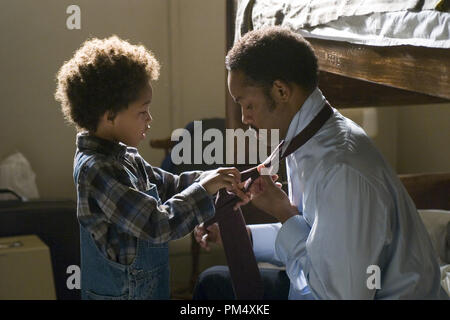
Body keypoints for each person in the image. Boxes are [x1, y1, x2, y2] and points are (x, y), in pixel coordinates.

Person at [193, 26, 448, 300]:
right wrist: (240, 235)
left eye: (247, 105)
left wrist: (285, 214)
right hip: (335, 284)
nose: (244, 118)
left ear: (280, 91)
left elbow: (338, 294)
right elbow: (318, 240)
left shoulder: (341, 169)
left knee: (217, 291)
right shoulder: (308, 137)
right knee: (214, 282)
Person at [54, 35, 248, 300]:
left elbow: (171, 185)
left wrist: (215, 178)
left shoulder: (124, 156)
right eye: (142, 111)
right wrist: (204, 188)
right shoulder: (96, 170)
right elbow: (157, 224)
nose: (150, 119)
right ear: (110, 115)